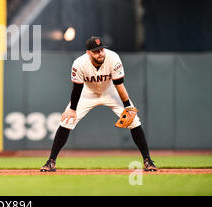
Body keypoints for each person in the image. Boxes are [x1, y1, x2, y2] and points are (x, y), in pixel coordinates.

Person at [40, 36, 157, 172]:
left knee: (134, 121)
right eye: (96, 51)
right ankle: (51, 161)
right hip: (88, 92)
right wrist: (73, 109)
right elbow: (77, 89)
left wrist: (127, 106)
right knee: (67, 121)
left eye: (101, 49)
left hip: (110, 90)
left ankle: (147, 160)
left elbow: (119, 85)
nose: (100, 53)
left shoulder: (113, 58)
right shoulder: (79, 64)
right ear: (88, 52)